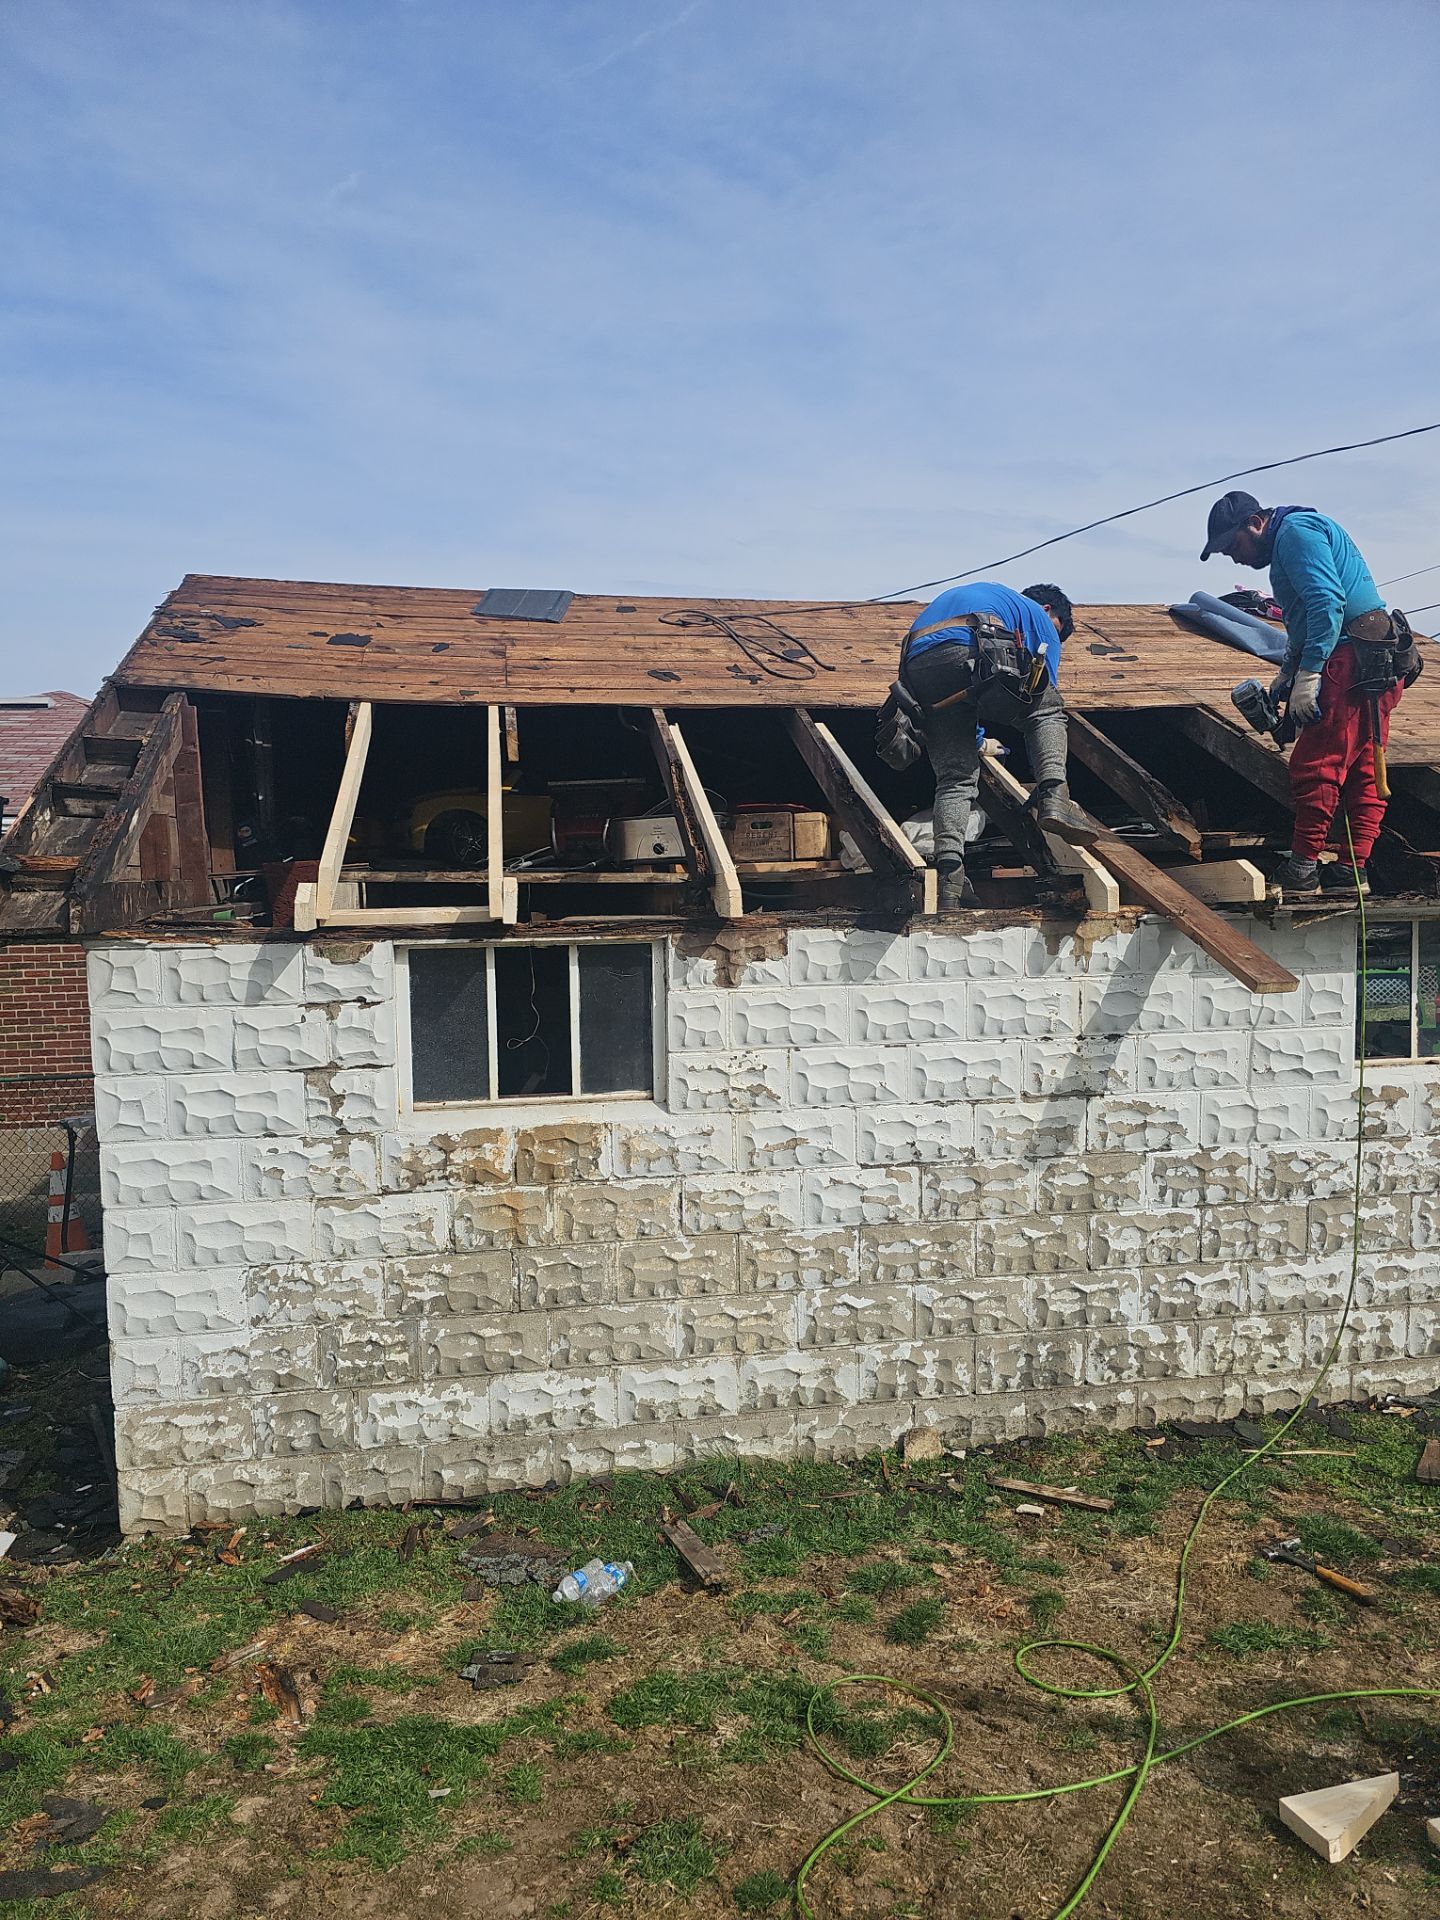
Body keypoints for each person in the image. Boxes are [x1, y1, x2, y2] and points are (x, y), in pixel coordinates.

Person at [1201, 491, 1422, 896]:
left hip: (1350, 659)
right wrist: (1289, 668)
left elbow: (1326, 604)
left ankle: (1303, 869)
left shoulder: (1296, 535)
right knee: (1363, 771)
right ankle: (1349, 871)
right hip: (1374, 656)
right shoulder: (1296, 536)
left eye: (1233, 546)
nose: (1233, 557)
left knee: (1316, 766)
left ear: (1256, 523)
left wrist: (1310, 673)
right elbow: (1305, 614)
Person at [897, 581, 1091, 907]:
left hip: (918, 663)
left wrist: (976, 741)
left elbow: (959, 705)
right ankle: (1056, 796)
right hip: (974, 642)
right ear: (1048, 610)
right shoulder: (1037, 615)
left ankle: (950, 888)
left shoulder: (986, 596)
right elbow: (1041, 693)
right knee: (1048, 712)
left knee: (955, 778)